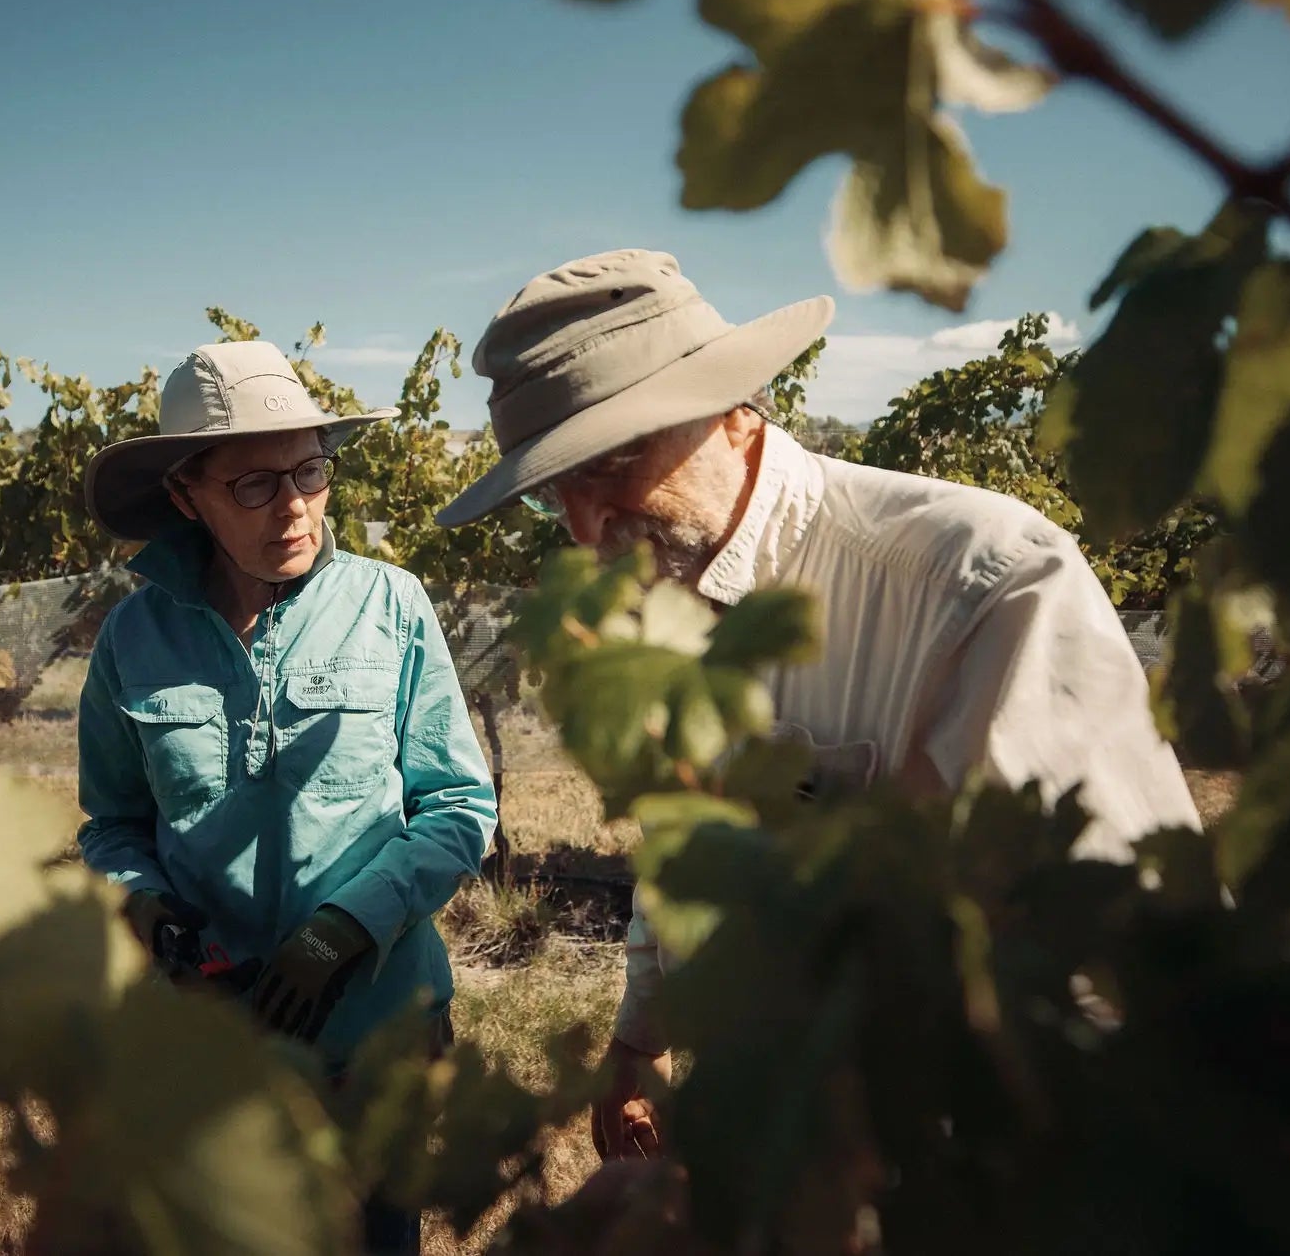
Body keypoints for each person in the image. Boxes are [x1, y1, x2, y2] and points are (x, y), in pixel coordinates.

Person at [434, 248, 1203, 1161]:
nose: (586, 529)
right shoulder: (656, 608)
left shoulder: (981, 583)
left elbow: (1123, 976)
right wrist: (642, 1032)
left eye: (614, 462)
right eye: (553, 490)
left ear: (732, 408)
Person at [78, 340, 498, 1253]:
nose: (298, 505)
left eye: (311, 469)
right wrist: (147, 912)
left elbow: (459, 805)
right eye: (257, 485)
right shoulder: (132, 639)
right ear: (188, 495)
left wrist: (341, 929)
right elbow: (112, 824)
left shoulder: (391, 605)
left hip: (377, 1030)